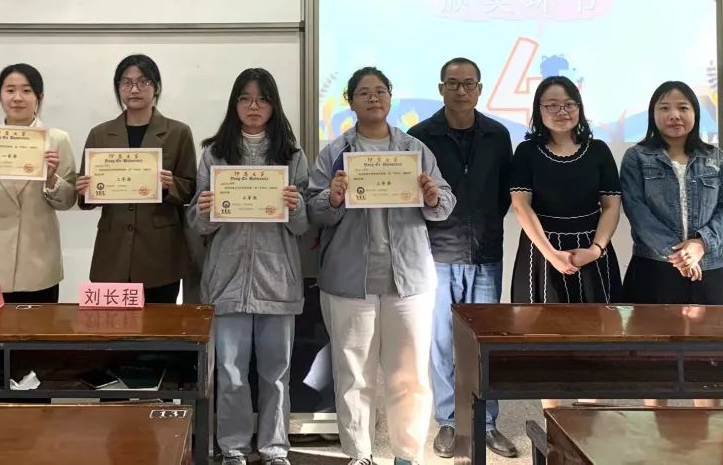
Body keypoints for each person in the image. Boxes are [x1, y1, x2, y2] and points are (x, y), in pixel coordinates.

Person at [307, 66, 455, 465]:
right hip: (348, 281)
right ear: (350, 101)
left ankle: (407, 455)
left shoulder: (414, 149)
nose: (373, 98)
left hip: (409, 282)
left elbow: (445, 203)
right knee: (353, 375)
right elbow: (313, 210)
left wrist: (432, 196)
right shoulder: (335, 152)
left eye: (380, 91)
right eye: (363, 93)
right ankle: (360, 453)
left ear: (390, 97)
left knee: (410, 376)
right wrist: (331, 198)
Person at [188, 68, 309, 465]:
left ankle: (274, 448)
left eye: (262, 98)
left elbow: (302, 226)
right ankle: (234, 448)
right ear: (234, 104)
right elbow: (198, 224)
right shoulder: (214, 154)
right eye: (245, 98)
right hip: (228, 280)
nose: (253, 106)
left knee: (276, 374)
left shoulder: (292, 156)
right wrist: (207, 210)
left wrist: (296, 207)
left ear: (273, 105)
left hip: (278, 280)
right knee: (230, 373)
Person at [407, 57, 517, 459]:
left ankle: (486, 423)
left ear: (480, 89)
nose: (461, 90)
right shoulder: (420, 137)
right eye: (453, 83)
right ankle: (449, 421)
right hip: (438, 253)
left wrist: (482, 225)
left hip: (486, 253)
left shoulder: (497, 135)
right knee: (440, 342)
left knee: (485, 343)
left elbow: (505, 195)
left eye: (469, 83)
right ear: (441, 88)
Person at [620, 81, 723, 407]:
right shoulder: (637, 158)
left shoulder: (716, 159)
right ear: (653, 114)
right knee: (655, 362)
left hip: (708, 269)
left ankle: (704, 434)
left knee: (707, 362)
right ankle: (656, 431)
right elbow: (637, 211)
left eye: (683, 107)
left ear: (695, 113)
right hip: (654, 269)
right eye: (665, 108)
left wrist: (701, 245)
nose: (674, 115)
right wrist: (679, 255)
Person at [509, 75, 622, 408]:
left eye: (569, 104)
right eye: (553, 105)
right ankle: (553, 422)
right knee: (546, 340)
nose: (562, 111)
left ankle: (588, 418)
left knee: (594, 338)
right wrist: (552, 254)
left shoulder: (598, 150)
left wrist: (596, 250)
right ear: (539, 110)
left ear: (579, 108)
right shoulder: (527, 152)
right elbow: (521, 206)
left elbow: (611, 206)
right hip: (542, 254)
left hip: (591, 252)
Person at [76, 54, 197, 303]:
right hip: (112, 250)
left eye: (143, 82)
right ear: (118, 88)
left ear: (157, 87)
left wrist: (170, 186)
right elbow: (85, 199)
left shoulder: (178, 132)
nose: (134, 89)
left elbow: (191, 189)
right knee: (114, 325)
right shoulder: (100, 134)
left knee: (159, 324)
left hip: (160, 252)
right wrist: (83, 188)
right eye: (126, 82)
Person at [0, 63, 77, 303]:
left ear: (39, 97)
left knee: (40, 326)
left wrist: (51, 178)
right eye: (10, 90)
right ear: (0, 96)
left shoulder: (57, 140)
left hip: (39, 260)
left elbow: (68, 201)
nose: (17, 98)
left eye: (26, 90)